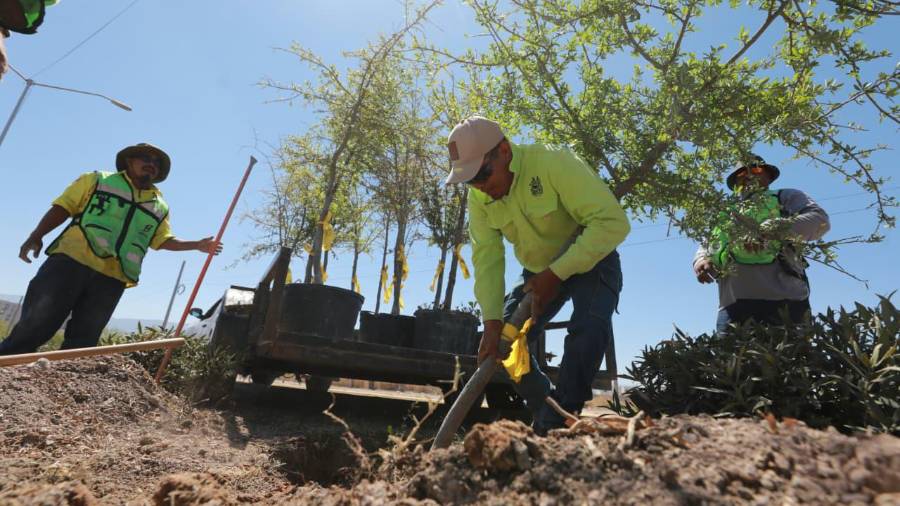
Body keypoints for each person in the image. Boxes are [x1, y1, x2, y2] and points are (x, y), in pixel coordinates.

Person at [445, 116, 630, 434]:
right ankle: (548, 410)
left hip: (592, 258)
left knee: (588, 327)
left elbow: (613, 223)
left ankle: (564, 417)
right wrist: (491, 319)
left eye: (483, 174)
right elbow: (487, 258)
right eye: (470, 181)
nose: (481, 188)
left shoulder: (554, 163)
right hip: (536, 272)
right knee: (506, 342)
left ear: (503, 151)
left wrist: (556, 274)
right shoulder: (480, 196)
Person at [0, 143, 222, 355]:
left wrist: (197, 245)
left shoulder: (159, 207)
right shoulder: (97, 180)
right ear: (129, 161)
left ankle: (60, 388)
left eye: (156, 162)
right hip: (70, 262)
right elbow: (64, 206)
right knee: (36, 324)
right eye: (145, 158)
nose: (151, 164)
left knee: (83, 342)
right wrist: (36, 235)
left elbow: (161, 240)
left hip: (112, 278)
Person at [693, 154, 830, 333]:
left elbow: (820, 221)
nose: (749, 176)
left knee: (791, 359)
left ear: (768, 176)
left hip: (786, 301)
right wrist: (701, 260)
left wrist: (773, 229)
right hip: (732, 307)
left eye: (756, 169)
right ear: (735, 184)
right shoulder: (724, 212)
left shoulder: (786, 196)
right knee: (732, 361)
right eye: (742, 174)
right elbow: (708, 242)